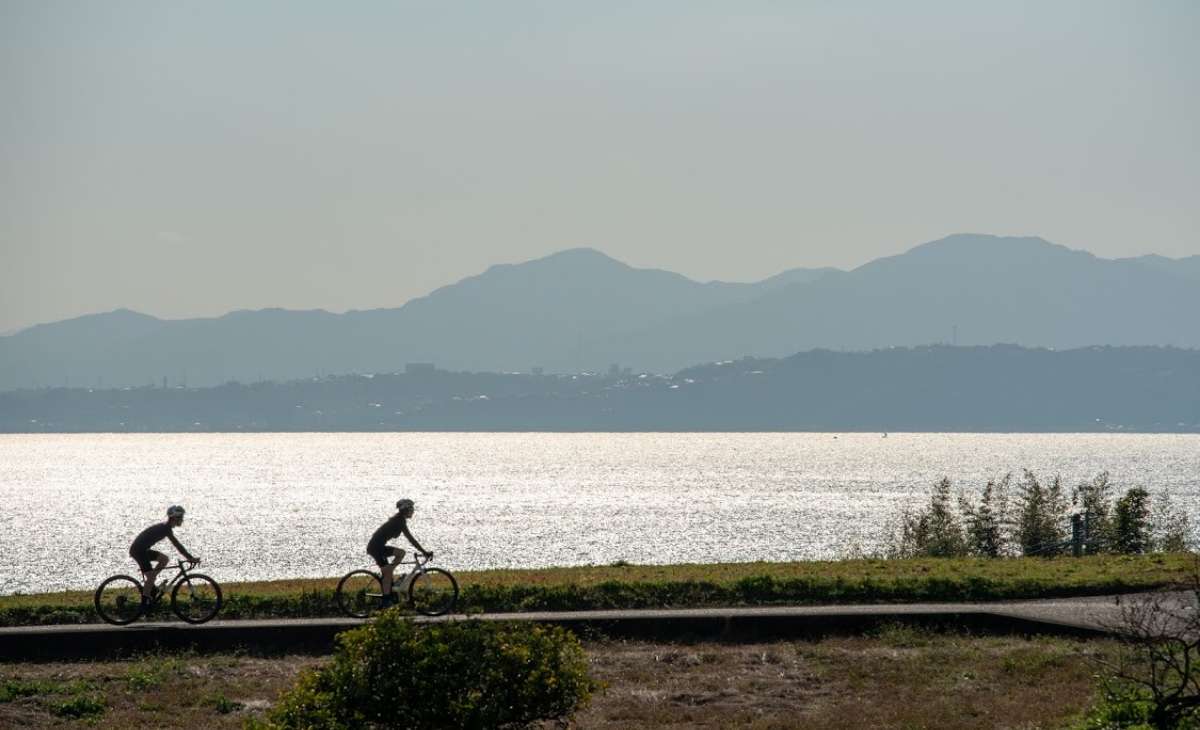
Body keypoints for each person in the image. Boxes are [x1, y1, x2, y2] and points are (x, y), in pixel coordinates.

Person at [368, 498, 430, 605]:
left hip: (378, 546)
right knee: (389, 570)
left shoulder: (399, 520)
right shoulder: (399, 521)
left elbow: (410, 539)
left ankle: (390, 581)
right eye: (411, 509)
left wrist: (424, 551)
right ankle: (386, 601)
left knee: (400, 554)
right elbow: (411, 539)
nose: (413, 511)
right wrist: (424, 552)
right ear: (406, 510)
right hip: (376, 548)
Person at [129, 505, 198, 601]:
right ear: (175, 518)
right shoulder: (166, 528)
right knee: (152, 576)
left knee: (164, 559)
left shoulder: (165, 527)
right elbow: (177, 544)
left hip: (142, 549)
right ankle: (144, 604)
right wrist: (189, 557)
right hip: (138, 551)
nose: (182, 520)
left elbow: (176, 544)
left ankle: (151, 584)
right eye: (181, 517)